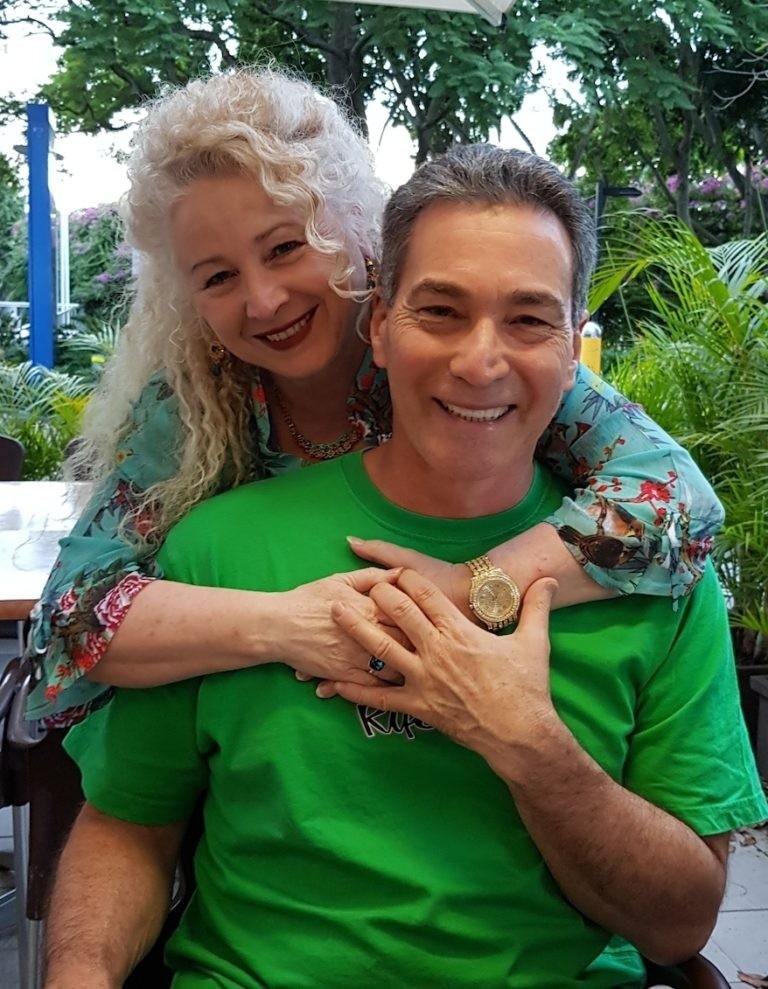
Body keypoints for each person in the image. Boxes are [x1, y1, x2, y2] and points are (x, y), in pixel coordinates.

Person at [46, 144, 767, 989]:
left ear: (574, 347)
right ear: (382, 323)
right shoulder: (209, 529)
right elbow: (127, 811)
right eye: (442, 311)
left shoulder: (649, 567)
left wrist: (523, 732)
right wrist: (287, 623)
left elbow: (679, 923)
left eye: (528, 320)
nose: (480, 362)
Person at [26, 67, 724, 726]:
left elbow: (678, 500)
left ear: (358, 227)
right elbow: (72, 615)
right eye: (217, 277)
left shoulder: (453, 356)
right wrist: (293, 625)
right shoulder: (190, 403)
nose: (263, 300)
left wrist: (466, 588)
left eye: (285, 247)